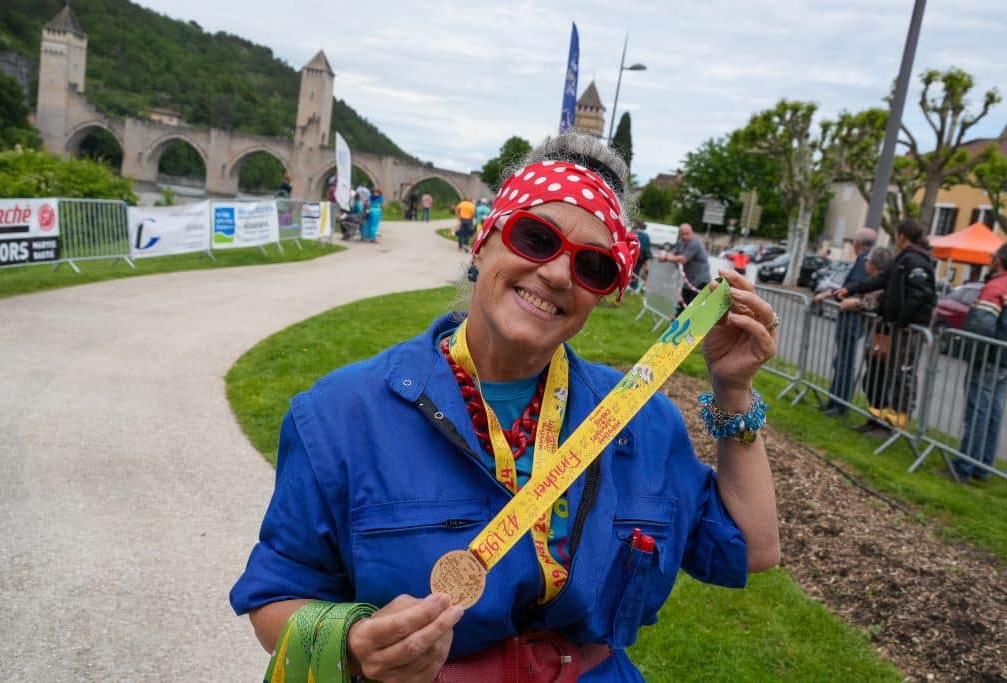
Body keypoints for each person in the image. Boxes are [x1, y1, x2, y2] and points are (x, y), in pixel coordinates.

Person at [230, 133, 780, 682]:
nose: (560, 273)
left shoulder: (641, 421)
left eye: (593, 266)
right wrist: (351, 645)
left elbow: (752, 548)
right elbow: (276, 597)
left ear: (601, 294)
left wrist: (734, 391)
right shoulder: (340, 416)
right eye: (536, 238)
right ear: (483, 241)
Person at [837, 219, 936, 433]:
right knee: (881, 375)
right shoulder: (902, 258)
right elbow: (881, 280)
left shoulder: (916, 260)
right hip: (894, 327)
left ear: (901, 235)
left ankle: (892, 425)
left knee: (900, 376)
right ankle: (876, 420)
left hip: (907, 329)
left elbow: (920, 294)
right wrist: (851, 288)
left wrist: (900, 320)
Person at [951, 243, 1007, 481]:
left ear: (999, 260)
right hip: (1003, 360)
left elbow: (981, 326)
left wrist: (973, 354)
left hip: (990, 358)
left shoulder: (996, 286)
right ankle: (982, 466)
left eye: (992, 256)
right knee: (994, 410)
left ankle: (964, 464)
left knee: (978, 409)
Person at [813, 227, 877, 417]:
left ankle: (838, 405)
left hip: (852, 318)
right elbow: (850, 287)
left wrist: (836, 294)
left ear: (857, 243)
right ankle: (834, 401)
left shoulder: (864, 261)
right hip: (851, 317)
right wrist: (832, 293)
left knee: (844, 362)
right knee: (841, 360)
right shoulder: (864, 260)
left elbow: (854, 288)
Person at [835, 247, 893, 436]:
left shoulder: (883, 284)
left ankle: (882, 424)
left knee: (879, 380)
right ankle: (873, 419)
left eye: (868, 261)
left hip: (885, 336)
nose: (865, 264)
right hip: (876, 335)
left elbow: (877, 301)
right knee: (872, 380)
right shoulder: (873, 282)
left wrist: (858, 304)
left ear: (874, 264)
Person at [657, 223, 710, 312]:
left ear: (692, 232)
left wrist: (666, 257)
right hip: (689, 283)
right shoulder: (681, 243)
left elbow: (682, 259)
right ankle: (677, 323)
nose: (685, 236)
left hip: (700, 283)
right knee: (683, 308)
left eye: (687, 233)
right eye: (682, 234)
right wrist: (665, 257)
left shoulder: (695, 243)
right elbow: (674, 255)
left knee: (694, 310)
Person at [630, 220, 652, 291]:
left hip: (632, 255)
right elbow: (647, 249)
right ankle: (633, 288)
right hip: (641, 258)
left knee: (630, 271)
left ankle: (630, 286)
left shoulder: (633, 234)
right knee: (636, 272)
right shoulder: (646, 236)